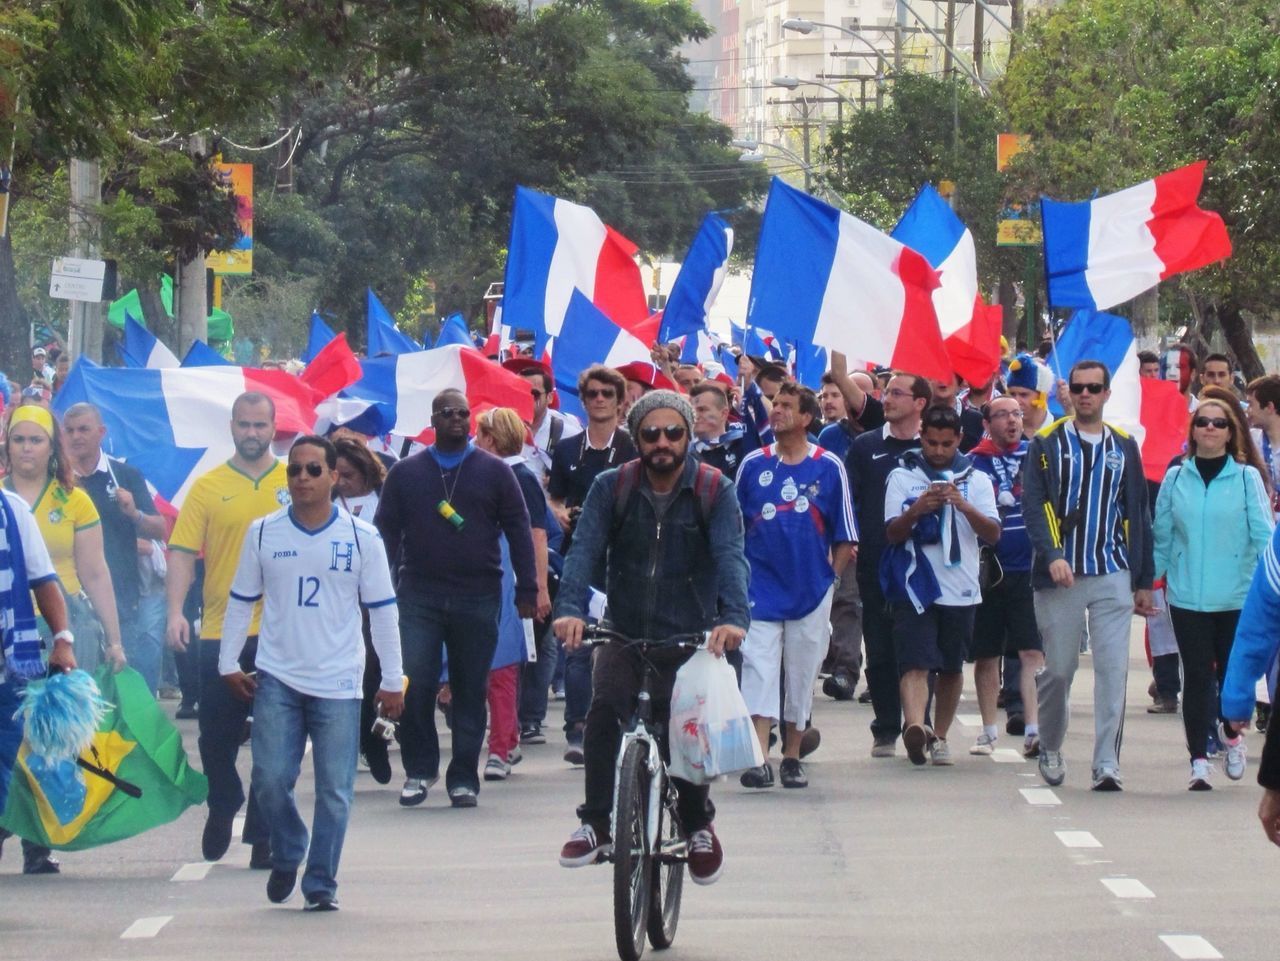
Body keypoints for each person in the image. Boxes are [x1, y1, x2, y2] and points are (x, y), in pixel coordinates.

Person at [554, 389, 749, 882]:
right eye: (651, 433)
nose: (662, 442)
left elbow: (730, 556)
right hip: (623, 629)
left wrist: (734, 618)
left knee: (685, 727)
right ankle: (596, 822)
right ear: (635, 436)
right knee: (603, 712)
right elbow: (582, 552)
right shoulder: (610, 486)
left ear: (687, 435)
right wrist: (570, 609)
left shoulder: (713, 489)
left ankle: (698, 825)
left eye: (673, 432)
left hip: (690, 635)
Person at [220, 435, 404, 911]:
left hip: (340, 680)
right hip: (277, 675)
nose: (302, 478)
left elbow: (383, 611)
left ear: (333, 477)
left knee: (335, 791)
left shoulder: (363, 538)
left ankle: (320, 883)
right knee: (269, 777)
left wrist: (392, 678)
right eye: (295, 470)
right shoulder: (264, 532)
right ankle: (289, 848)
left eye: (313, 470)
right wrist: (228, 662)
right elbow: (241, 602)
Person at [375, 389, 537, 808]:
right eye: (447, 413)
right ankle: (420, 769)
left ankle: (463, 776)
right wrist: (376, 592)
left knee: (469, 690)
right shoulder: (407, 473)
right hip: (419, 595)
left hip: (477, 595)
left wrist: (528, 590)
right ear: (433, 420)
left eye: (463, 414)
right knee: (417, 683)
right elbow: (385, 535)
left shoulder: (495, 472)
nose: (457, 420)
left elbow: (520, 529)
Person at [167, 392, 290, 865]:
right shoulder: (207, 486)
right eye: (244, 425)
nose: (252, 433)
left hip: (282, 633)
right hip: (222, 631)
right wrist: (176, 610)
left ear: (274, 426)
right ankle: (224, 801)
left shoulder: (296, 478)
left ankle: (263, 833)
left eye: (261, 425)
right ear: (232, 428)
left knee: (274, 738)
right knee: (216, 738)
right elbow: (181, 552)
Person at [1023, 360, 1156, 792]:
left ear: (1106, 394)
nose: (1085, 394)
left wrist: (1142, 579)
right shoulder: (1046, 443)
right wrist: (1053, 553)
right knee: (1058, 670)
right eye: (1079, 387)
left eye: (1094, 388)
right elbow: (1035, 505)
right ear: (1070, 392)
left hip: (1111, 570)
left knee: (1113, 669)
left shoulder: (1123, 446)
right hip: (1061, 573)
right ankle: (1051, 743)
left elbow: (1137, 512)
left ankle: (1106, 762)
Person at [735, 383, 856, 788]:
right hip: (760, 588)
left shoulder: (828, 466)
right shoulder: (752, 464)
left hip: (810, 589)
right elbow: (733, 529)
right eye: (776, 404)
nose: (778, 411)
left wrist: (831, 581)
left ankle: (791, 755)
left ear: (807, 417)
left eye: (788, 406)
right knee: (758, 669)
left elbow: (846, 535)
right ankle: (758, 757)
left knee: (802, 673)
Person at [1153, 395, 1272, 789]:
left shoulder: (1245, 477)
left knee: (1233, 674)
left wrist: (1268, 588)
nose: (1210, 428)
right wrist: (1146, 584)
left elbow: (1262, 537)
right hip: (1187, 596)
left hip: (1236, 596)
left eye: (1219, 423)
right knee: (1198, 678)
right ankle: (1198, 760)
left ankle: (1233, 737)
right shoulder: (1176, 477)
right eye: (1203, 422)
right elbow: (1163, 536)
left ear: (1230, 432)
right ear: (1192, 429)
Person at [884, 405, 1000, 766]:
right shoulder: (902, 475)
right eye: (931, 442)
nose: (937, 451)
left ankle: (941, 736)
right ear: (921, 438)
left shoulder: (976, 479)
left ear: (959, 441)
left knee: (951, 667)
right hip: (917, 584)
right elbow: (891, 533)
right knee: (915, 663)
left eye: (945, 444)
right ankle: (916, 726)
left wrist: (963, 506)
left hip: (961, 587)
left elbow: (993, 534)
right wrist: (916, 509)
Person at [547, 365, 636, 764]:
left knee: (624, 644)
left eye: (607, 394)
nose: (599, 399)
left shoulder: (633, 446)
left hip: (623, 558)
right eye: (592, 394)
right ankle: (577, 729)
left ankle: (624, 722)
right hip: (579, 555)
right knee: (578, 645)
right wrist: (560, 513)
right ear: (582, 401)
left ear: (621, 402)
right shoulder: (567, 449)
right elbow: (553, 496)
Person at [846, 372, 931, 756]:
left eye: (898, 393)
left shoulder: (932, 447)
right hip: (876, 562)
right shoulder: (865, 446)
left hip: (923, 565)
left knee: (917, 644)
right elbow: (851, 500)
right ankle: (885, 727)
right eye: (888, 391)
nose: (888, 398)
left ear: (920, 403)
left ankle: (920, 722)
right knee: (879, 645)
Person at [62, 403, 168, 693]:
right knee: (78, 694)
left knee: (123, 695)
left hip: (120, 600)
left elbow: (161, 529)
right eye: (69, 430)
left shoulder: (124, 475)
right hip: (67, 601)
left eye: (84, 429)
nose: (76, 436)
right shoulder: (56, 481)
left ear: (101, 432)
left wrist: (134, 513)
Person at [0, 478, 76, 875]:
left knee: (15, 761)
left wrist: (63, 639)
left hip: (8, 668)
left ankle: (31, 839)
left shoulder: (12, 510)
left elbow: (43, 579)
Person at [474, 407, 552, 781]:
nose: (474, 441)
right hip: (480, 582)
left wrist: (536, 588)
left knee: (502, 669)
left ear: (492, 438)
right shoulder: (477, 475)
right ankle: (506, 736)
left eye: (480, 434)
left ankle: (501, 746)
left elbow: (537, 535)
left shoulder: (521, 477)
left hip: (511, 586)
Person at [968, 396, 1045, 758]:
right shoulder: (973, 463)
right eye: (1002, 415)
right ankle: (987, 730)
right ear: (987, 423)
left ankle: (1033, 727)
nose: (1012, 421)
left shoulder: (1037, 455)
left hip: (1029, 568)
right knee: (986, 654)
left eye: (1017, 414)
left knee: (1031, 651)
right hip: (990, 571)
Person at [330, 434, 392, 783]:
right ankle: (348, 743)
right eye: (336, 475)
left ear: (367, 473)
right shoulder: (324, 506)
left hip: (377, 604)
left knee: (375, 674)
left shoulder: (383, 500)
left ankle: (375, 741)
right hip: (337, 606)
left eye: (349, 475)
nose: (342, 482)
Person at [504, 358, 581, 477]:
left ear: (550, 397)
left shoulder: (570, 435)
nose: (527, 398)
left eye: (534, 394)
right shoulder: (497, 430)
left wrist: (562, 482)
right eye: (520, 391)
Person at [690, 381, 751, 475]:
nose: (695, 415)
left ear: (723, 414)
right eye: (691, 410)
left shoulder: (744, 444)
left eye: (702, 410)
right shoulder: (684, 453)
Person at [1246, 374, 1280, 518]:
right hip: (1263, 519)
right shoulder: (1250, 440)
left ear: (1269, 407)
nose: (1248, 410)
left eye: (1251, 404)